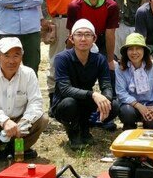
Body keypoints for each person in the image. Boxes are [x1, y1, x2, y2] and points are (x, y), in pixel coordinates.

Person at [0, 36, 47, 167]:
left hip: (19, 120)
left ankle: (17, 148)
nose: (12, 61)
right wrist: (5, 121)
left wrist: (24, 122)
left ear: (22, 56)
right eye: (6, 55)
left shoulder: (28, 74)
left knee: (42, 119)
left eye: (16, 55)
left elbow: (36, 102)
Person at [50, 19, 118, 150]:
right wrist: (93, 94)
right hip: (64, 104)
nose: (83, 39)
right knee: (70, 103)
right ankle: (74, 134)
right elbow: (65, 89)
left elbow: (106, 86)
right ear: (71, 38)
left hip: (85, 102)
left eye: (88, 35)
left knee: (113, 105)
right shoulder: (62, 58)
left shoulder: (100, 59)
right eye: (79, 34)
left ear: (94, 38)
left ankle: (85, 128)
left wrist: (106, 100)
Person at [40, 0, 84, 99]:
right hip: (59, 21)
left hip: (81, 22)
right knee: (56, 60)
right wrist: (42, 20)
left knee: (80, 58)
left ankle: (77, 94)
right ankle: (54, 95)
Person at [115, 33, 153, 130]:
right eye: (130, 49)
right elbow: (121, 92)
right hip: (130, 105)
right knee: (127, 113)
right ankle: (129, 126)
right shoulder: (120, 68)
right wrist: (138, 106)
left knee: (151, 122)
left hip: (150, 103)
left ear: (144, 50)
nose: (134, 52)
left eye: (138, 48)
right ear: (126, 52)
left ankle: (148, 129)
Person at [66, 0, 119, 72]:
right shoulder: (74, 6)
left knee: (111, 71)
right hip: (81, 40)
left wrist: (110, 60)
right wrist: (68, 55)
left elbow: (110, 35)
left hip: (102, 40)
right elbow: (72, 35)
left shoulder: (111, 6)